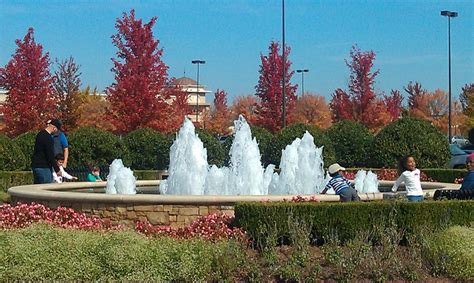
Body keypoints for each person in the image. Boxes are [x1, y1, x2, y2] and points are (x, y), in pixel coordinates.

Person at [31, 119, 62, 184]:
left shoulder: (40, 134)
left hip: (36, 166)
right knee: (46, 190)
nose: (56, 132)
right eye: (57, 130)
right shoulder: (48, 138)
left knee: (37, 191)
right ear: (54, 128)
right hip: (44, 167)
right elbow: (50, 155)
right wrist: (57, 170)